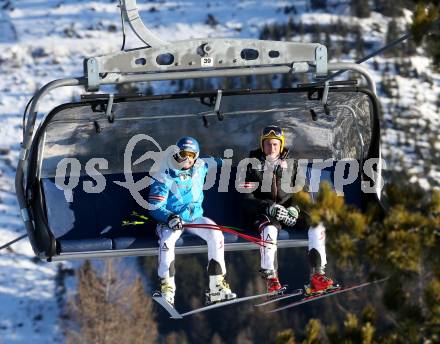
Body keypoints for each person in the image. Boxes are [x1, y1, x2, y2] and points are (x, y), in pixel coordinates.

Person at [238, 125, 335, 295]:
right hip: (264, 213)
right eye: (268, 144)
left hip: (288, 212)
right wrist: (269, 207)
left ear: (281, 145)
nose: (271, 148)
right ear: (262, 145)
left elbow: (302, 194)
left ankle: (317, 275)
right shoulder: (250, 165)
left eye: (275, 144)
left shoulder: (292, 165)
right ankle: (271, 278)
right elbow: (246, 200)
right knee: (269, 229)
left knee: (316, 224)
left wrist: (295, 210)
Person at [148, 136, 236, 306]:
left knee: (216, 234)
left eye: (190, 154)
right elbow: (154, 206)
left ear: (196, 156)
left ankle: (216, 284)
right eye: (183, 154)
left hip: (195, 217)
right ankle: (167, 286)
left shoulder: (200, 166)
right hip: (171, 220)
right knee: (167, 240)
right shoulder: (164, 174)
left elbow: (216, 161)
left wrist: (232, 160)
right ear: (176, 154)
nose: (186, 159)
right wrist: (169, 217)